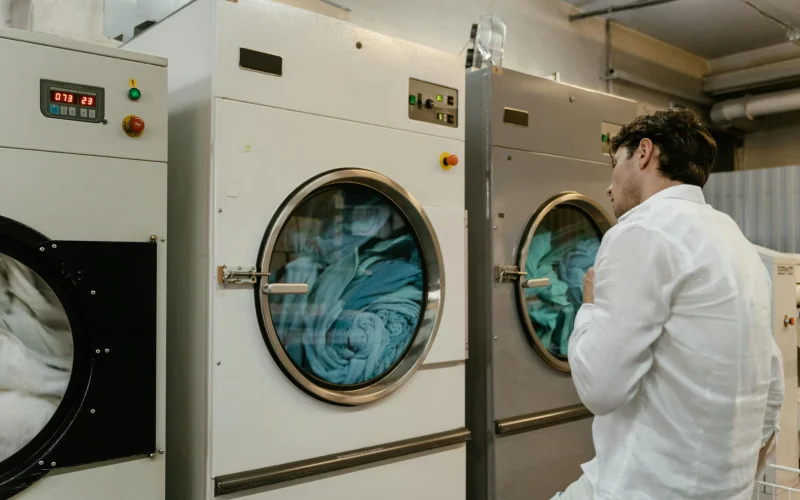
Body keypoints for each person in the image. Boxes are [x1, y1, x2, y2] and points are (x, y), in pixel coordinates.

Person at [553, 108, 784, 500]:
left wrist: (588, 309)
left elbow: (600, 386)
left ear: (643, 153)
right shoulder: (737, 242)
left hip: (643, 487)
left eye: (615, 163)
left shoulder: (641, 230)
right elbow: (772, 384)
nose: (609, 187)